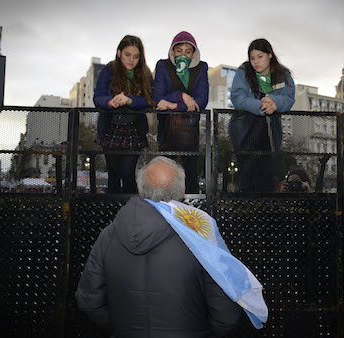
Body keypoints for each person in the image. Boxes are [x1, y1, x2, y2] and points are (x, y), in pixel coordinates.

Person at [75, 156, 243, 337]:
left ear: (141, 189)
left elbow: (88, 301)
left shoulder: (108, 235)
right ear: (183, 191)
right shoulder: (200, 235)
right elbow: (226, 314)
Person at [229, 38, 295, 193]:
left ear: (270, 55)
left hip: (271, 132)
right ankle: (247, 209)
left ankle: (264, 210)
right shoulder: (243, 72)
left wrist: (274, 101)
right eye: (252, 58)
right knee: (247, 175)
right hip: (245, 130)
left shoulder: (283, 74)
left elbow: (289, 98)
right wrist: (260, 105)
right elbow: (237, 98)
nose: (255, 62)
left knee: (267, 173)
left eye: (260, 57)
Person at [93, 35, 153, 194]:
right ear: (119, 53)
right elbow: (97, 97)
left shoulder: (145, 73)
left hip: (134, 129)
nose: (131, 60)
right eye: (127, 55)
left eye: (136, 56)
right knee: (113, 174)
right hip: (110, 127)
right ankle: (112, 215)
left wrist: (129, 100)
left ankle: (131, 214)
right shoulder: (108, 70)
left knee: (127, 173)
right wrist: (110, 102)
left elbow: (149, 100)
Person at [152, 31, 208, 194]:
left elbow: (200, 101)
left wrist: (172, 105)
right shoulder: (163, 66)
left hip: (190, 129)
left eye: (188, 51)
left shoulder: (201, 68)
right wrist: (182, 95)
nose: (183, 54)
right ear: (172, 51)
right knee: (165, 172)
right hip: (166, 127)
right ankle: (164, 209)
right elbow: (157, 97)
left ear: (193, 54)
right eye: (179, 50)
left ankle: (190, 212)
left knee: (190, 173)